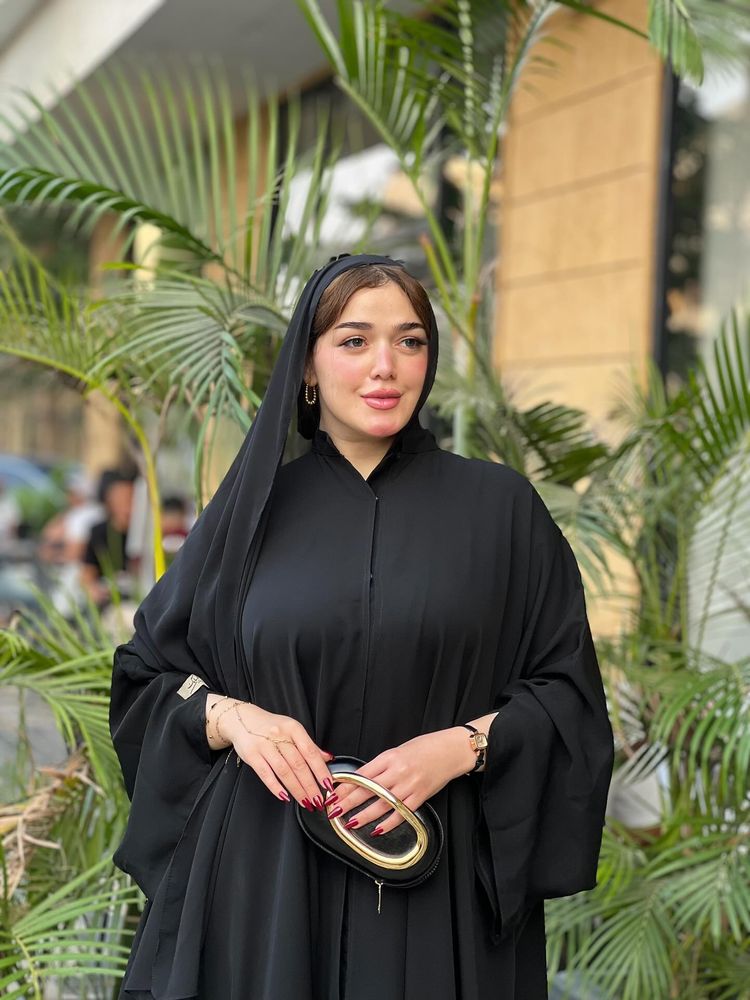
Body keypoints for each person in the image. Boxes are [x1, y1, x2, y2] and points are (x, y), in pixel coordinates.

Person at [109, 253, 614, 1000]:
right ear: (308, 367)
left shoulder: (501, 511)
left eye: (410, 342)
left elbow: (568, 696)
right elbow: (147, 676)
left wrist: (464, 746)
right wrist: (234, 720)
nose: (387, 366)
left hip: (438, 888)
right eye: (354, 341)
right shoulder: (249, 514)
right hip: (265, 883)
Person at [81, 472, 135, 607]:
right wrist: (93, 590)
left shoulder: (145, 533)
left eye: (130, 499)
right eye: (120, 500)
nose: (127, 506)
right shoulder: (99, 531)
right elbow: (88, 572)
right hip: (109, 599)